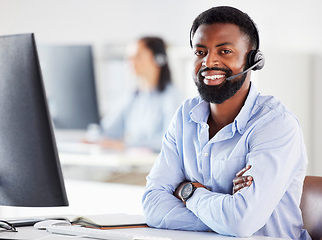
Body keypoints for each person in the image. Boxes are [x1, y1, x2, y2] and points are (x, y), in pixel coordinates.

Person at [142, 6, 310, 240]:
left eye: (225, 51)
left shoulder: (276, 124)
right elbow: (152, 206)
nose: (209, 62)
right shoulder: (184, 116)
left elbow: (241, 222)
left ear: (253, 59)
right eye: (200, 52)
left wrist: (188, 192)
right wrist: (224, 216)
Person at [99, 36, 181, 152]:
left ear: (158, 59)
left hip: (156, 166)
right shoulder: (133, 95)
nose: (130, 62)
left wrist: (126, 145)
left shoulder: (172, 96)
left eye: (138, 56)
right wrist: (94, 137)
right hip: (132, 165)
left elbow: (170, 139)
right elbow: (108, 130)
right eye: (129, 57)